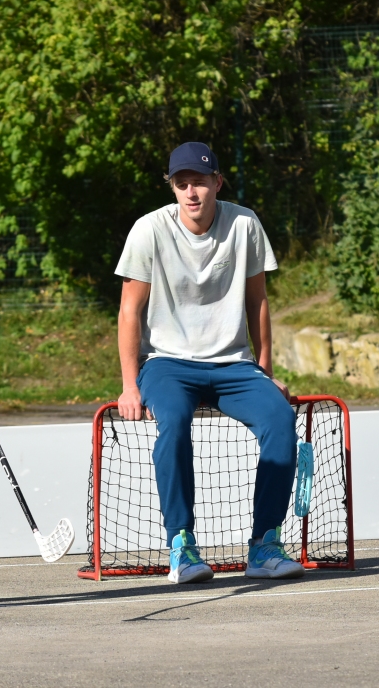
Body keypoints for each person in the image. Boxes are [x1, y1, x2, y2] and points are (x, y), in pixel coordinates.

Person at [115, 142, 305, 584]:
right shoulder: (149, 229)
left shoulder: (245, 223)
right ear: (173, 188)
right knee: (174, 422)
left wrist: (265, 372)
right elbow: (129, 312)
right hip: (168, 363)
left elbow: (257, 301)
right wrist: (129, 384)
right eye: (181, 183)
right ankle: (181, 545)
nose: (191, 191)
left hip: (233, 366)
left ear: (217, 182)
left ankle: (264, 546)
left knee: (279, 419)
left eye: (199, 181)